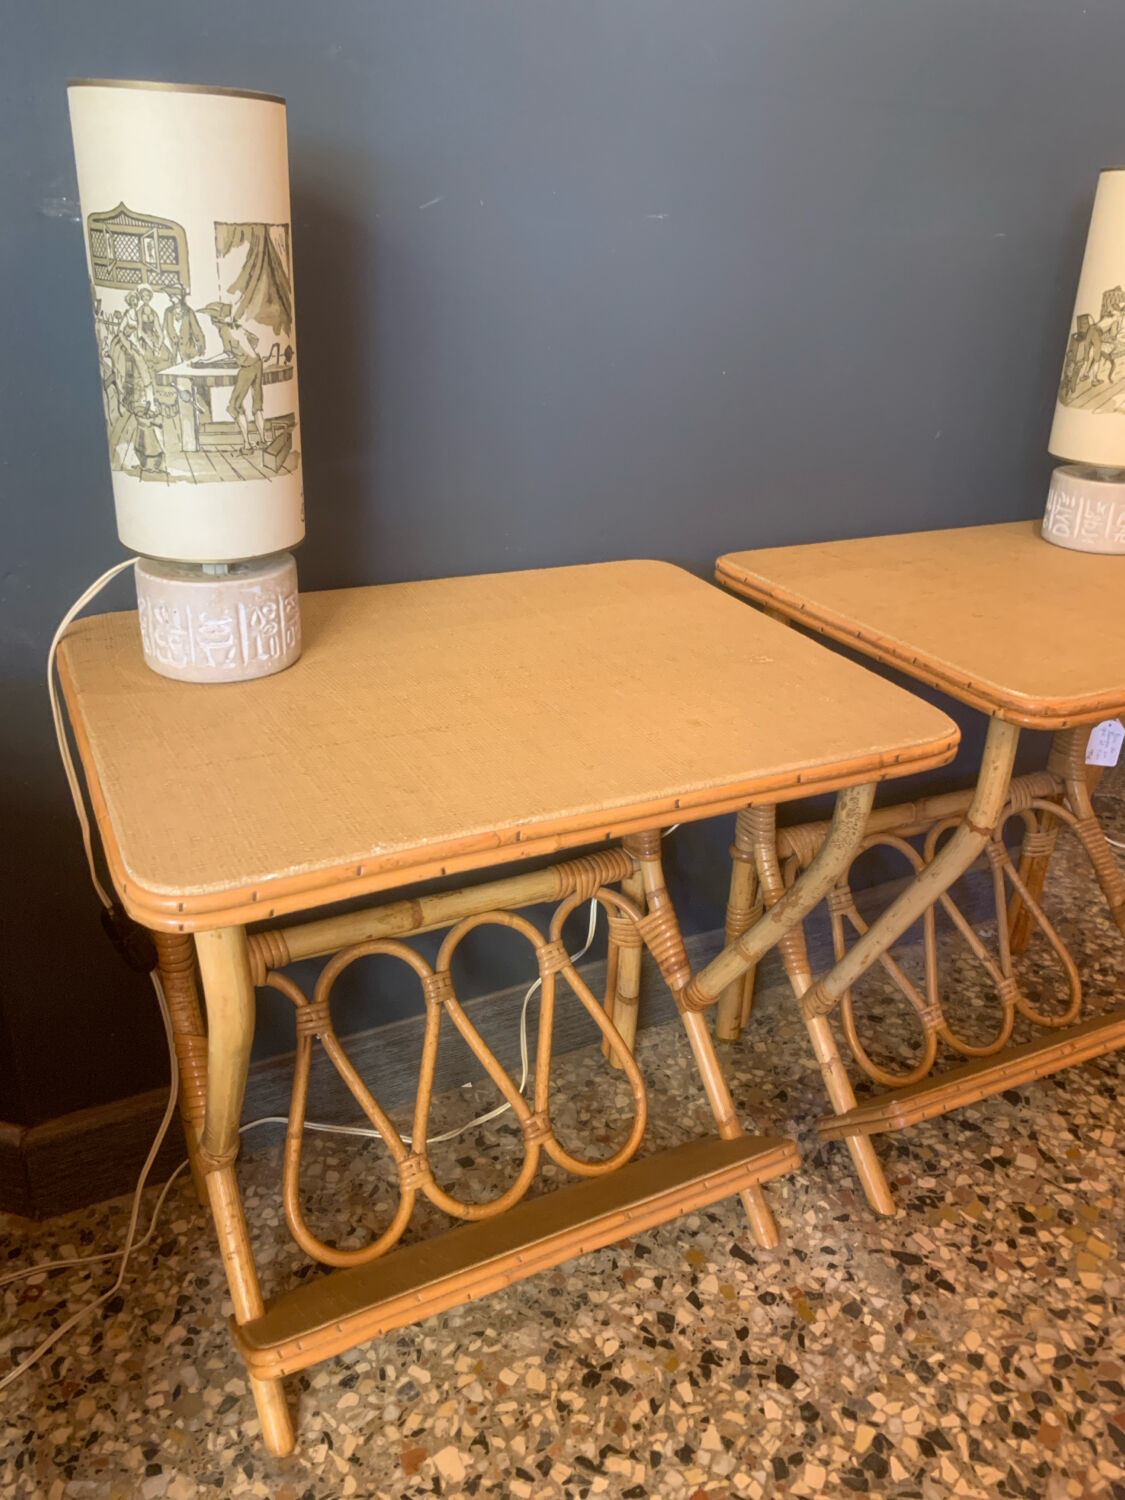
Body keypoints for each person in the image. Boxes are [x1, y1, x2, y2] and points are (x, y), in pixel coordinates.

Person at [202, 301, 266, 451]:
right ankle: (263, 440)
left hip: (248, 368)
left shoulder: (223, 330)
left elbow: (227, 352)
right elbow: (255, 340)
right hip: (257, 363)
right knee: (257, 405)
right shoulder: (236, 326)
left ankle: (247, 445)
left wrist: (207, 362)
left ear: (216, 319)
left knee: (234, 406)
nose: (211, 323)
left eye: (212, 319)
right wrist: (243, 352)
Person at [162, 281, 206, 364]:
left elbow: (196, 330)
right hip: (174, 353)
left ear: (179, 297)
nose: (170, 298)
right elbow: (164, 329)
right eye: (170, 296)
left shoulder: (188, 312)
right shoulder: (168, 312)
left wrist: (201, 346)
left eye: (172, 296)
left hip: (188, 351)